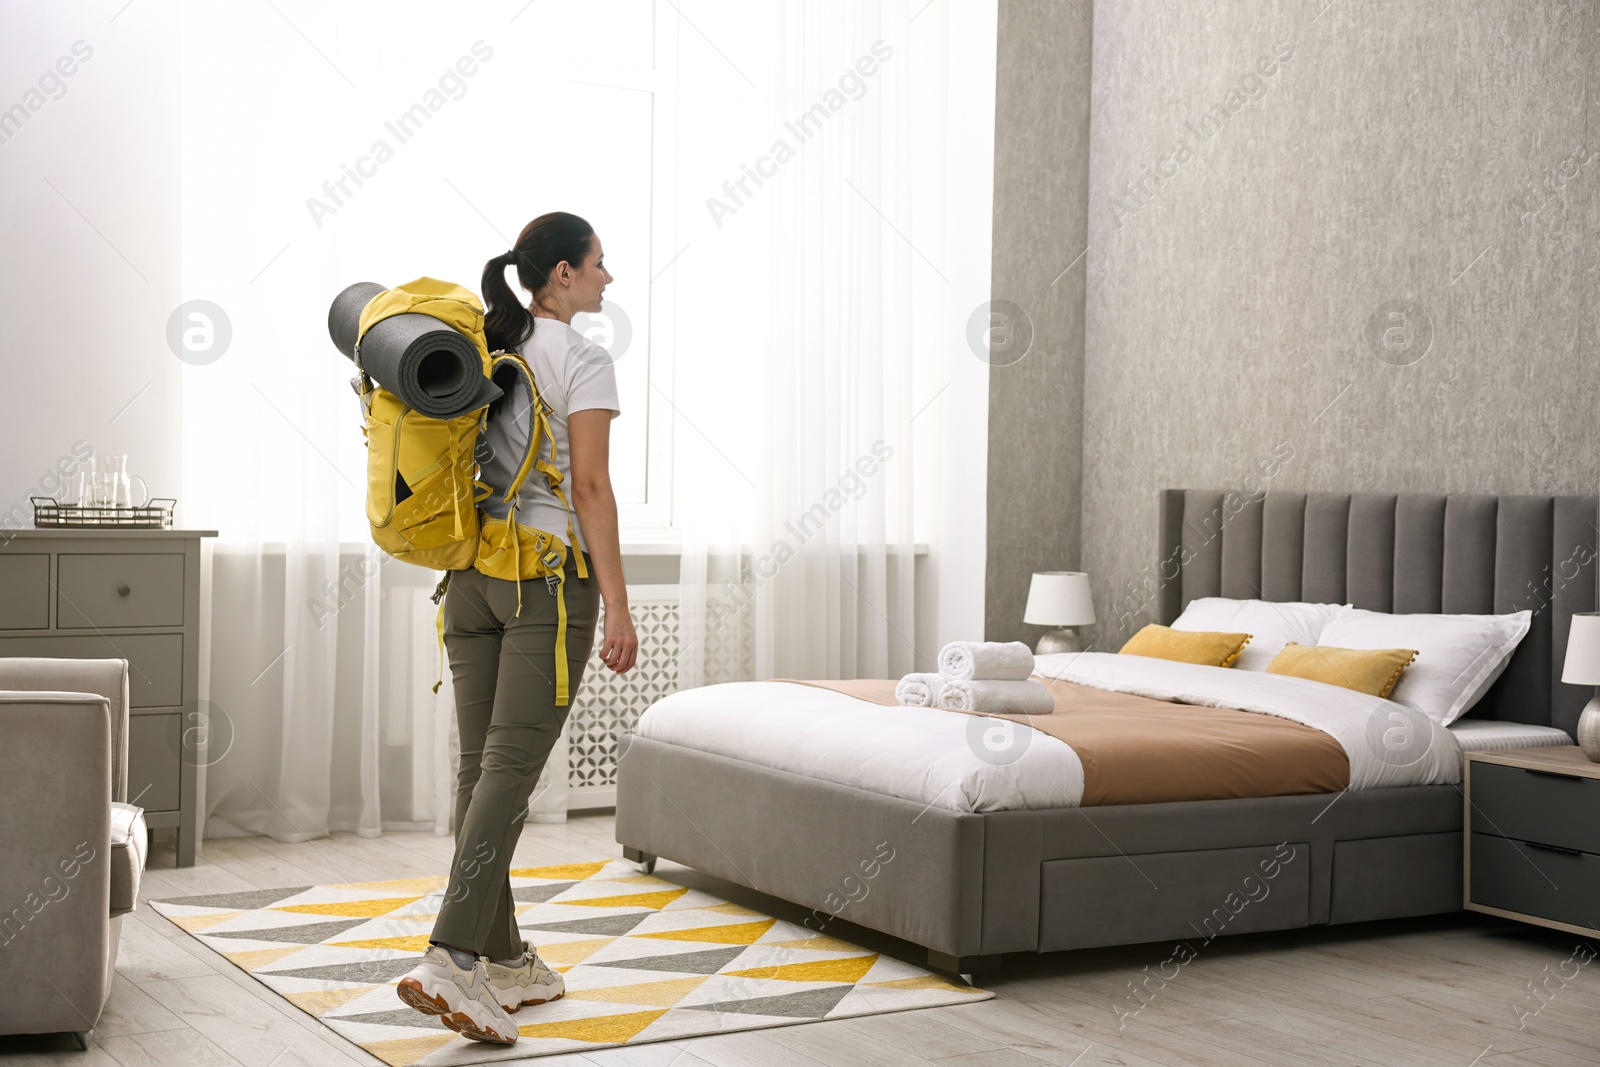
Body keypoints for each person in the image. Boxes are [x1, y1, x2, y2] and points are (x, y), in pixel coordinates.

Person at [395, 211, 638, 1045]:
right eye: (599, 264)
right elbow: (593, 492)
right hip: (544, 584)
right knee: (507, 775)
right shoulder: (582, 357)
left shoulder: (492, 344)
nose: (608, 277)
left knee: (482, 774)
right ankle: (452, 954)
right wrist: (618, 601)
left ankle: (500, 954)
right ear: (562, 275)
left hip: (468, 581)